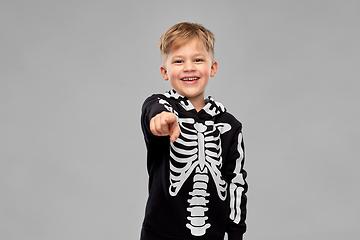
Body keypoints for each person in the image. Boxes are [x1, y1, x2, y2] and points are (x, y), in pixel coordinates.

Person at [140, 22, 248, 240]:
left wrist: (235, 234)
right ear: (165, 72)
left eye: (198, 60)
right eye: (178, 61)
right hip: (159, 235)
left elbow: (236, 183)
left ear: (213, 68)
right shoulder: (160, 106)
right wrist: (162, 118)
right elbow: (154, 110)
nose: (189, 67)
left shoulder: (229, 125)